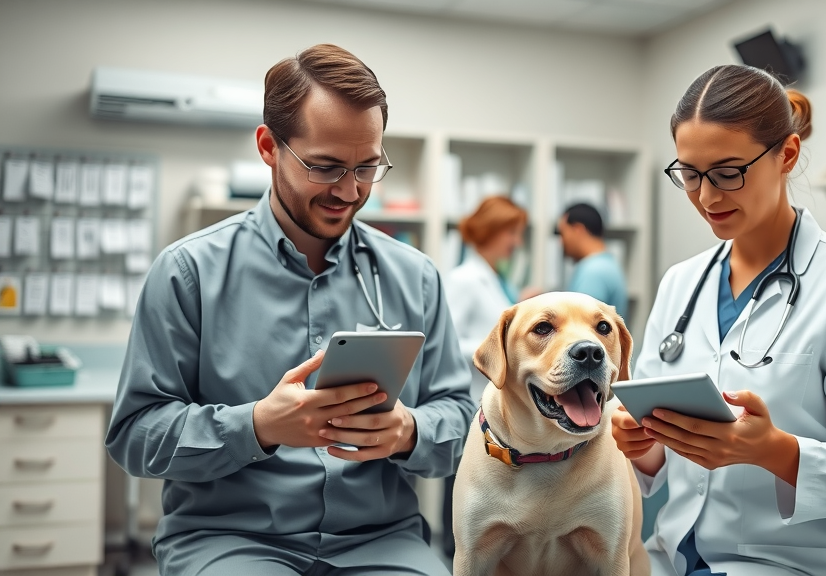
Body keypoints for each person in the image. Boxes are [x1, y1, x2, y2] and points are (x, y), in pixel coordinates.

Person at [105, 44, 474, 576]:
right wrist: (255, 426)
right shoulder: (188, 273)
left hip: (380, 543)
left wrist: (409, 431)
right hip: (231, 541)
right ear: (268, 147)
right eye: (325, 168)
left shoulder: (414, 277)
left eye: (368, 167)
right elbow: (135, 436)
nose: (349, 191)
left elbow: (463, 419)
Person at [611, 64, 826, 576]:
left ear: (787, 155)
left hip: (791, 564)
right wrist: (638, 442)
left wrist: (774, 451)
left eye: (729, 172)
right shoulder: (679, 285)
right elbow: (655, 461)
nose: (707, 197)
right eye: (689, 174)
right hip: (670, 559)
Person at [445, 194, 530, 399]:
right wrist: (498, 348)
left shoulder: (494, 278)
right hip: (473, 396)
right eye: (512, 233)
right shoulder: (464, 279)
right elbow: (447, 343)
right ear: (490, 230)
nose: (517, 242)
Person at [557, 202, 630, 323]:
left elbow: (580, 326)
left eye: (562, 233)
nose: (561, 241)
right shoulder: (604, 265)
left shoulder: (594, 272)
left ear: (578, 229)